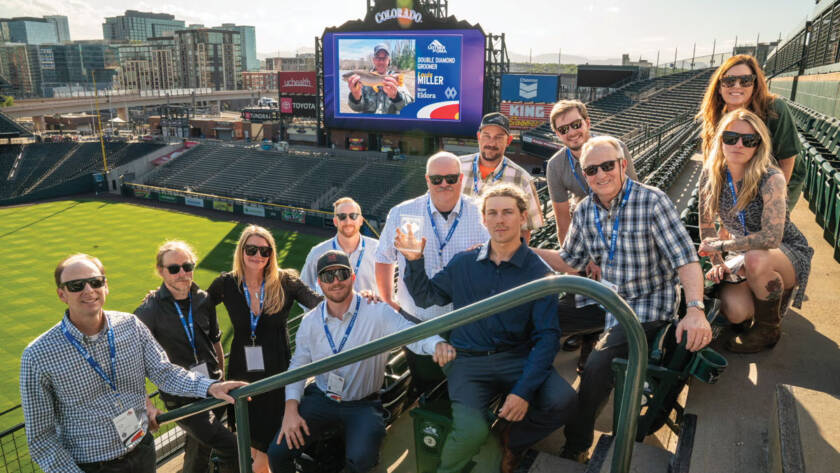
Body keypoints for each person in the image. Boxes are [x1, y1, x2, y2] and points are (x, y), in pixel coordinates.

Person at [532, 136, 712, 463]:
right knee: (537, 317)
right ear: (583, 175)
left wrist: (696, 309)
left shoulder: (652, 201)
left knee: (598, 366)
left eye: (607, 166)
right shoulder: (585, 209)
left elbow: (686, 259)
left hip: (644, 306)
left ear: (622, 165)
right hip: (604, 297)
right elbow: (569, 261)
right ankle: (527, 405)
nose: (600, 174)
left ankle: (576, 444)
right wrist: (523, 251)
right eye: (591, 170)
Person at [397, 184, 577, 473]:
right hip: (468, 363)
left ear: (522, 218)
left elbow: (547, 337)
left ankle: (512, 441)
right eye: (492, 213)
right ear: (483, 219)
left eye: (507, 212)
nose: (499, 220)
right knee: (470, 432)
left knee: (564, 401)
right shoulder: (463, 263)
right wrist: (413, 260)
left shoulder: (538, 272)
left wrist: (523, 392)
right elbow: (425, 297)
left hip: (517, 359)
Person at [20, 254, 245, 473]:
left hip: (142, 451)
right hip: (92, 466)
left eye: (95, 282)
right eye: (76, 285)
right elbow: (41, 439)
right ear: (62, 294)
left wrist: (209, 386)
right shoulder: (38, 355)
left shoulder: (130, 325)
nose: (88, 290)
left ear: (105, 286)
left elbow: (164, 372)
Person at [267, 251, 454, 473]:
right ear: (319, 283)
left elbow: (410, 333)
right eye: (328, 276)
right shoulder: (310, 322)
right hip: (323, 399)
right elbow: (298, 367)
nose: (335, 281)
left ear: (353, 277)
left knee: (361, 460)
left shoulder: (376, 311)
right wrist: (291, 409)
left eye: (342, 274)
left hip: (363, 404)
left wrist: (436, 345)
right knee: (277, 453)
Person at [207, 225, 322, 473]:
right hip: (242, 374)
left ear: (271, 254)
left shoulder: (286, 281)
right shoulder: (226, 283)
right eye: (252, 249)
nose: (258, 255)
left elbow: (320, 304)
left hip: (277, 373)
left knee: (272, 442)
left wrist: (359, 298)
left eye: (265, 250)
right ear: (241, 250)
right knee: (249, 439)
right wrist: (163, 295)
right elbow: (198, 306)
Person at [698, 110, 812, 353]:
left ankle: (768, 329)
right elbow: (707, 227)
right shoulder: (710, 174)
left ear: (758, 145)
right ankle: (768, 298)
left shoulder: (771, 178)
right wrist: (718, 262)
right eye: (731, 137)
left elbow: (772, 238)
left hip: (784, 251)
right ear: (720, 139)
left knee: (757, 257)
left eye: (749, 140)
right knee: (735, 311)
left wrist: (720, 247)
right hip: (743, 252)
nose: (738, 144)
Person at [375, 151, 489, 392]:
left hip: (465, 321)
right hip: (418, 320)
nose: (444, 184)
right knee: (425, 384)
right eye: (437, 179)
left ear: (461, 179)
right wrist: (388, 299)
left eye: (450, 178)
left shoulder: (483, 213)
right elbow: (384, 258)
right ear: (427, 180)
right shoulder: (401, 212)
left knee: (465, 388)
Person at [545, 99, 639, 357]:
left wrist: (603, 257)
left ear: (587, 122)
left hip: (620, 223)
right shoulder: (555, 165)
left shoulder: (614, 147)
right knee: (580, 279)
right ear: (557, 134)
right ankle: (588, 332)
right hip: (584, 226)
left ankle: (597, 339)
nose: (571, 132)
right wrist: (576, 261)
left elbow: (630, 200)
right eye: (563, 129)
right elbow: (562, 218)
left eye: (576, 124)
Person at [134, 241, 238, 473]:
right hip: (182, 398)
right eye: (174, 268)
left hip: (213, 388)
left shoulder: (203, 299)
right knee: (232, 446)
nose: (182, 273)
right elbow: (132, 364)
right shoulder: (148, 311)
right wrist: (148, 406)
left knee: (199, 449)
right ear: (160, 271)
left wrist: (219, 379)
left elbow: (215, 342)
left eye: (187, 266)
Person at [698, 54, 807, 210]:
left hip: (779, 177)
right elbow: (713, 162)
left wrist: (775, 202)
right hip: (742, 176)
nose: (736, 86)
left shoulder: (775, 109)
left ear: (755, 85)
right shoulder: (716, 115)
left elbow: (787, 160)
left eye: (745, 81)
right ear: (719, 87)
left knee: (764, 228)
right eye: (729, 81)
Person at [459, 112, 544, 241]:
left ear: (508, 140)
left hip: (498, 257)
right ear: (478, 137)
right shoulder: (456, 168)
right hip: (458, 253)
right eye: (487, 136)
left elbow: (526, 230)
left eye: (498, 137)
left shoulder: (522, 178)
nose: (491, 143)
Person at [301, 197, 379, 296]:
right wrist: (320, 309)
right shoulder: (318, 252)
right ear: (335, 221)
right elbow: (304, 289)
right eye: (342, 216)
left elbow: (392, 291)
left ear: (361, 220)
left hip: (369, 311)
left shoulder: (378, 249)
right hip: (333, 311)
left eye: (353, 216)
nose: (348, 221)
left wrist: (377, 299)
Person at [346, 43, 413, 115]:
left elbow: (410, 107)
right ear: (374, 60)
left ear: (388, 61)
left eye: (384, 58)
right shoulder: (363, 78)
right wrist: (355, 96)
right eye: (378, 58)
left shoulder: (395, 78)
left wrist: (396, 96)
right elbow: (357, 108)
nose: (381, 62)